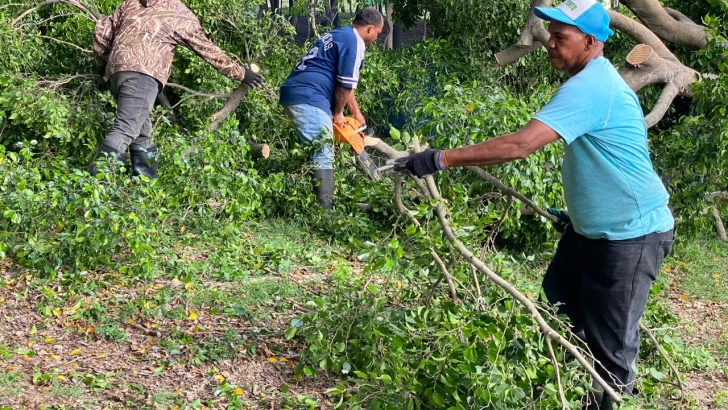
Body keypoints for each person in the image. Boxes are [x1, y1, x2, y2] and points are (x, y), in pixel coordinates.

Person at [390, 0, 675, 408]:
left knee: (610, 352)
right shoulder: (593, 80)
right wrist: (579, 216)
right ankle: (559, 392)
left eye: (561, 38)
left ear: (591, 42)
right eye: (550, 36)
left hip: (631, 235)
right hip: (591, 231)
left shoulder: (591, 86)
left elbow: (521, 145)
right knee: (557, 304)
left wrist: (441, 158)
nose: (550, 45)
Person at [89, 0, 264, 178]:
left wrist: (105, 65)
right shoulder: (176, 10)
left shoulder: (130, 3)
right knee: (126, 128)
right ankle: (94, 185)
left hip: (117, 72)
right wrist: (240, 73)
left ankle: (142, 185)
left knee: (141, 131)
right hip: (143, 73)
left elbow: (101, 31)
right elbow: (205, 48)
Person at [279, 7, 383, 209]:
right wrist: (337, 114)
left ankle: (313, 198)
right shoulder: (355, 43)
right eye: (378, 34)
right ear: (370, 28)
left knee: (320, 147)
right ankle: (325, 212)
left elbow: (346, 83)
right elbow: (344, 85)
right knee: (323, 149)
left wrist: (356, 113)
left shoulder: (340, 34)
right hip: (309, 95)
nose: (377, 39)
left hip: (300, 91)